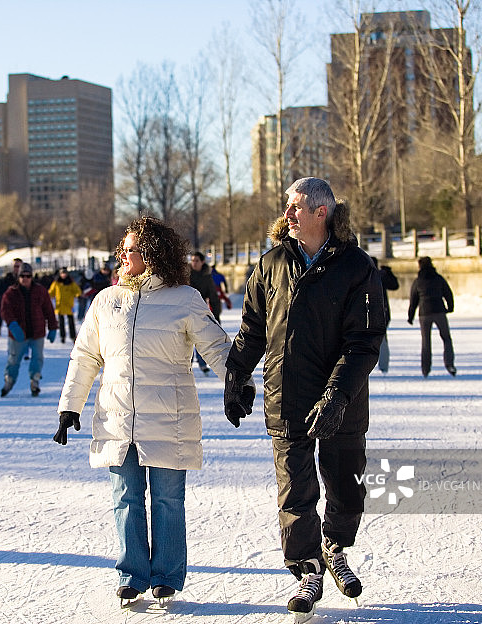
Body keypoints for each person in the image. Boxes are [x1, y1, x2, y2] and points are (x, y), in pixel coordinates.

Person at [224, 177, 385, 618]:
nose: (287, 213)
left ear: (321, 212)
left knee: (347, 487)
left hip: (342, 399)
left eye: (296, 207)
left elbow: (364, 342)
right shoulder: (272, 263)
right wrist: (237, 373)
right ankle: (308, 568)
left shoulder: (357, 267)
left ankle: (335, 545)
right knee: (294, 492)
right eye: (287, 206)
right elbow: (253, 329)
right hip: (287, 394)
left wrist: (336, 396)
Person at [54, 217, 235, 607]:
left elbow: (217, 348)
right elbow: (85, 356)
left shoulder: (184, 298)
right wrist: (70, 405)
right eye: (123, 249)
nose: (122, 256)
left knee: (168, 500)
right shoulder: (107, 300)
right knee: (125, 497)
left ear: (151, 256)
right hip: (118, 418)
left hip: (169, 417)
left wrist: (239, 384)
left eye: (130, 249)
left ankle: (167, 575)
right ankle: (131, 575)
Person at [0, 263, 58, 397]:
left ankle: (35, 381)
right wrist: (13, 325)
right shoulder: (11, 292)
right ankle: (9, 381)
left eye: (28, 276)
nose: (25, 278)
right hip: (18, 333)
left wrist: (53, 327)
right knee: (14, 359)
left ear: (32, 277)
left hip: (37, 331)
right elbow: (5, 311)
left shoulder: (40, 291)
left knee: (37, 358)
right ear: (18, 276)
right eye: (22, 276)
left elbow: (48, 309)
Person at [407, 256, 456, 377]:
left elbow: (413, 300)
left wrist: (410, 316)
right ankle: (449, 364)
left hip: (424, 313)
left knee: (426, 342)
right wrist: (450, 307)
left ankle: (425, 369)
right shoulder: (438, 278)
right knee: (446, 338)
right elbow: (448, 293)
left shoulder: (418, 281)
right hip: (439, 310)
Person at [189, 251, 221, 374]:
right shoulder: (185, 275)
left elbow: (213, 297)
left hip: (199, 313)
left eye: (197, 260)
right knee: (185, 341)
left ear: (202, 262)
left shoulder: (207, 277)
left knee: (200, 339)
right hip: (185, 311)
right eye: (192, 260)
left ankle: (202, 364)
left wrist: (216, 317)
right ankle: (187, 364)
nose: (194, 263)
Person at [372, 258, 399, 373]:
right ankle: (383, 365)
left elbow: (394, 285)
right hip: (382, 311)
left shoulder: (363, 275)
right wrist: (388, 273)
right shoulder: (380, 276)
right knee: (382, 339)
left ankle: (381, 365)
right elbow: (394, 285)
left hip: (375, 311)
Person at [48, 267, 82, 343]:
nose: (63, 275)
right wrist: (48, 296)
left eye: (65, 273)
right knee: (61, 322)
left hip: (69, 305)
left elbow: (77, 290)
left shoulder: (71, 283)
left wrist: (77, 294)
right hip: (60, 305)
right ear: (60, 274)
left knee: (71, 322)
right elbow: (51, 292)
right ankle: (62, 336)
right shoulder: (56, 283)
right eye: (62, 273)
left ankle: (73, 336)